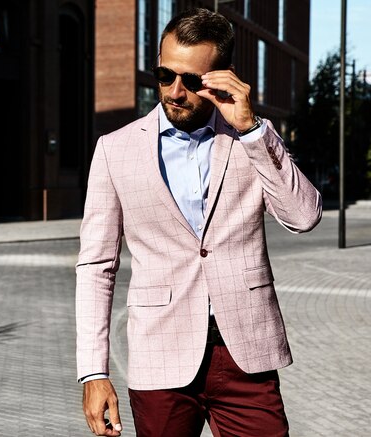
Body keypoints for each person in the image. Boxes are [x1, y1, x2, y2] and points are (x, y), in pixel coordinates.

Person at [75, 7, 322, 437]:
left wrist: (250, 128)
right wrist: (93, 372)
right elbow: (97, 267)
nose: (173, 91)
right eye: (164, 75)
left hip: (244, 351)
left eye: (190, 81)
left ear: (220, 77)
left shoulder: (250, 137)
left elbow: (303, 217)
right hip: (160, 355)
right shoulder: (115, 150)